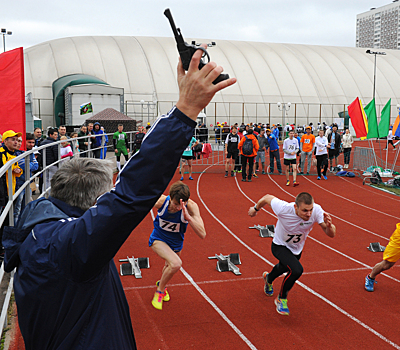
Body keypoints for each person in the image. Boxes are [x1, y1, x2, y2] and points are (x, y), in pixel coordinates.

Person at [2, 44, 236, 349]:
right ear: (92, 203)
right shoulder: (71, 247)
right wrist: (185, 111)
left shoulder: (38, 228)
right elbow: (130, 194)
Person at [248, 192, 335, 315]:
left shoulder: (316, 211)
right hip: (279, 246)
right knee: (296, 270)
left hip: (296, 249)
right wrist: (255, 209)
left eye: (310, 210)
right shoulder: (283, 208)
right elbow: (267, 198)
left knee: (283, 267)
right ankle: (281, 299)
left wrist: (330, 226)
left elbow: (331, 234)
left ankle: (269, 278)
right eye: (305, 210)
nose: (309, 214)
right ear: (295, 207)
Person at [149, 182, 206, 310]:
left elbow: (202, 234)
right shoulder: (161, 202)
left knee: (169, 266)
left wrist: (189, 218)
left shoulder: (191, 207)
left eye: (181, 205)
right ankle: (160, 291)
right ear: (170, 198)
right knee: (176, 264)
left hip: (176, 243)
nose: (178, 208)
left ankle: (161, 284)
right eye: (175, 204)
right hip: (158, 239)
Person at [13, 133, 38, 224]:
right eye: (29, 142)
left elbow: (36, 166)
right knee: (17, 210)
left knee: (26, 208)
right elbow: (25, 166)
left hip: (27, 183)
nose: (31, 145)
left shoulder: (30, 152)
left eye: (33, 142)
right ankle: (16, 230)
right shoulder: (18, 153)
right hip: (18, 184)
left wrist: (29, 165)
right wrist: (30, 164)